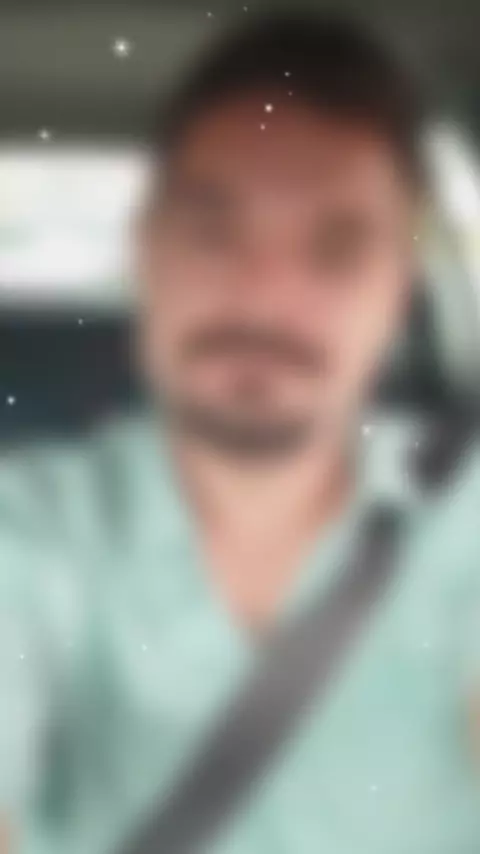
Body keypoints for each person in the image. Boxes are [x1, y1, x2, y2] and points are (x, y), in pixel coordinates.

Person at [2, 10, 480, 854]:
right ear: (145, 250)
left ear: (398, 290)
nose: (264, 295)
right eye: (213, 230)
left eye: (336, 245)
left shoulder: (462, 519)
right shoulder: (32, 527)